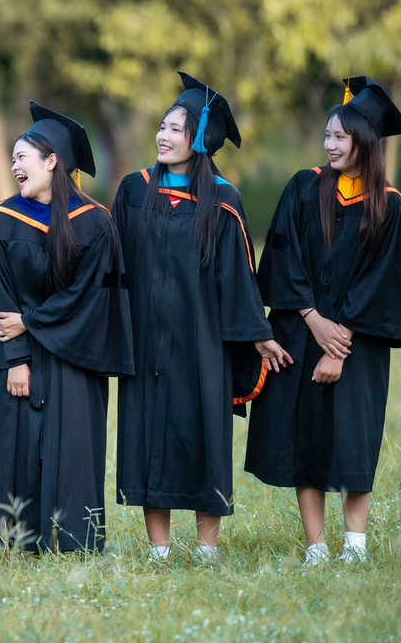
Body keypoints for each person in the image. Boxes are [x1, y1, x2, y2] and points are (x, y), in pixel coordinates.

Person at [245, 76, 401, 565]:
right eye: (327, 136)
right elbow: (284, 259)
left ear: (363, 142)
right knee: (307, 435)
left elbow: (382, 282)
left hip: (358, 343)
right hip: (304, 333)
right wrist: (312, 319)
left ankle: (355, 544)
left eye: (340, 137)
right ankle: (317, 546)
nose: (329, 145)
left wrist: (338, 340)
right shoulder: (304, 188)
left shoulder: (390, 207)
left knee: (353, 434)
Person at [111, 72, 290, 565]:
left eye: (176, 129)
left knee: (204, 436)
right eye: (162, 126)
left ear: (201, 138)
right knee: (148, 436)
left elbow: (238, 278)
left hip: (201, 343)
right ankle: (159, 553)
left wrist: (258, 335)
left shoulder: (223, 200)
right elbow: (113, 268)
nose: (163, 136)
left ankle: (207, 552)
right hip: (147, 342)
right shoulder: (133, 191)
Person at [0, 102, 134, 554]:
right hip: (21, 358)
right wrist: (17, 360)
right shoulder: (2, 220)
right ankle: (17, 540)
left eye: (21, 157)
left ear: (52, 161)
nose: (13, 166)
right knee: (19, 446)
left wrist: (30, 321)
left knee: (75, 448)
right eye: (11, 158)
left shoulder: (95, 222)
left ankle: (77, 541)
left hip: (77, 352)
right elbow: (0, 295)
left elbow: (90, 297)